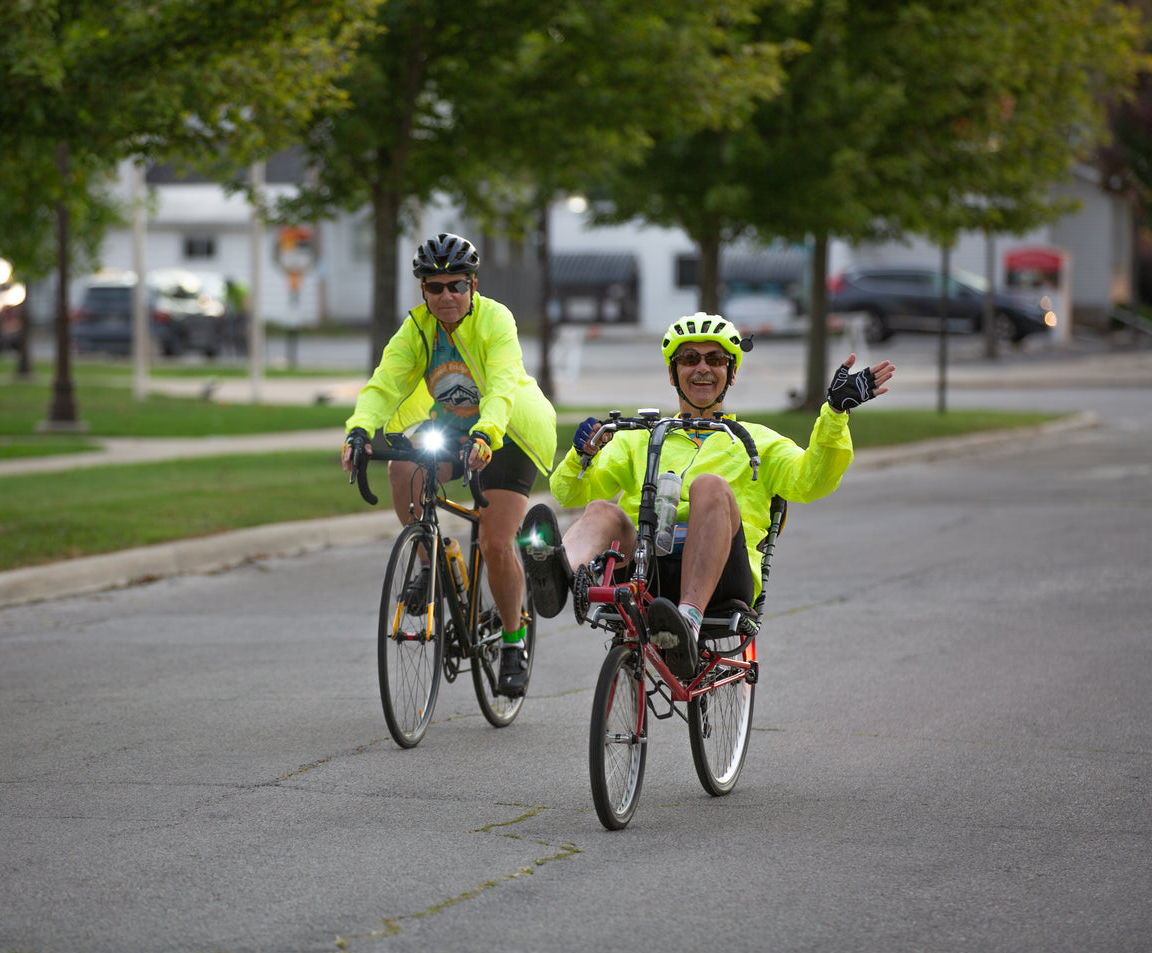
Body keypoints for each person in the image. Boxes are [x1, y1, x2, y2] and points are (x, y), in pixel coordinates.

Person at [521, 312, 895, 678]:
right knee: (603, 509)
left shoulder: (758, 442)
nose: (702, 368)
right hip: (644, 566)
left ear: (731, 372)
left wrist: (834, 413)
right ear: (673, 373)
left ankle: (687, 622)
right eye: (688, 359)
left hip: (722, 575)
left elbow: (814, 480)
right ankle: (560, 574)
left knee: (710, 486)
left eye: (715, 359)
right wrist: (582, 455)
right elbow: (568, 492)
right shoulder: (640, 437)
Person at [342, 232, 558, 696]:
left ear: (473, 285)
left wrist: (486, 434)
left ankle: (513, 644)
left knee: (498, 541)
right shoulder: (417, 328)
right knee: (403, 469)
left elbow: (501, 386)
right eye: (435, 287)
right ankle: (432, 559)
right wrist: (358, 430)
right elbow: (384, 384)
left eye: (456, 285)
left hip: (508, 432)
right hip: (454, 428)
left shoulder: (496, 320)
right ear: (422, 289)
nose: (446, 296)